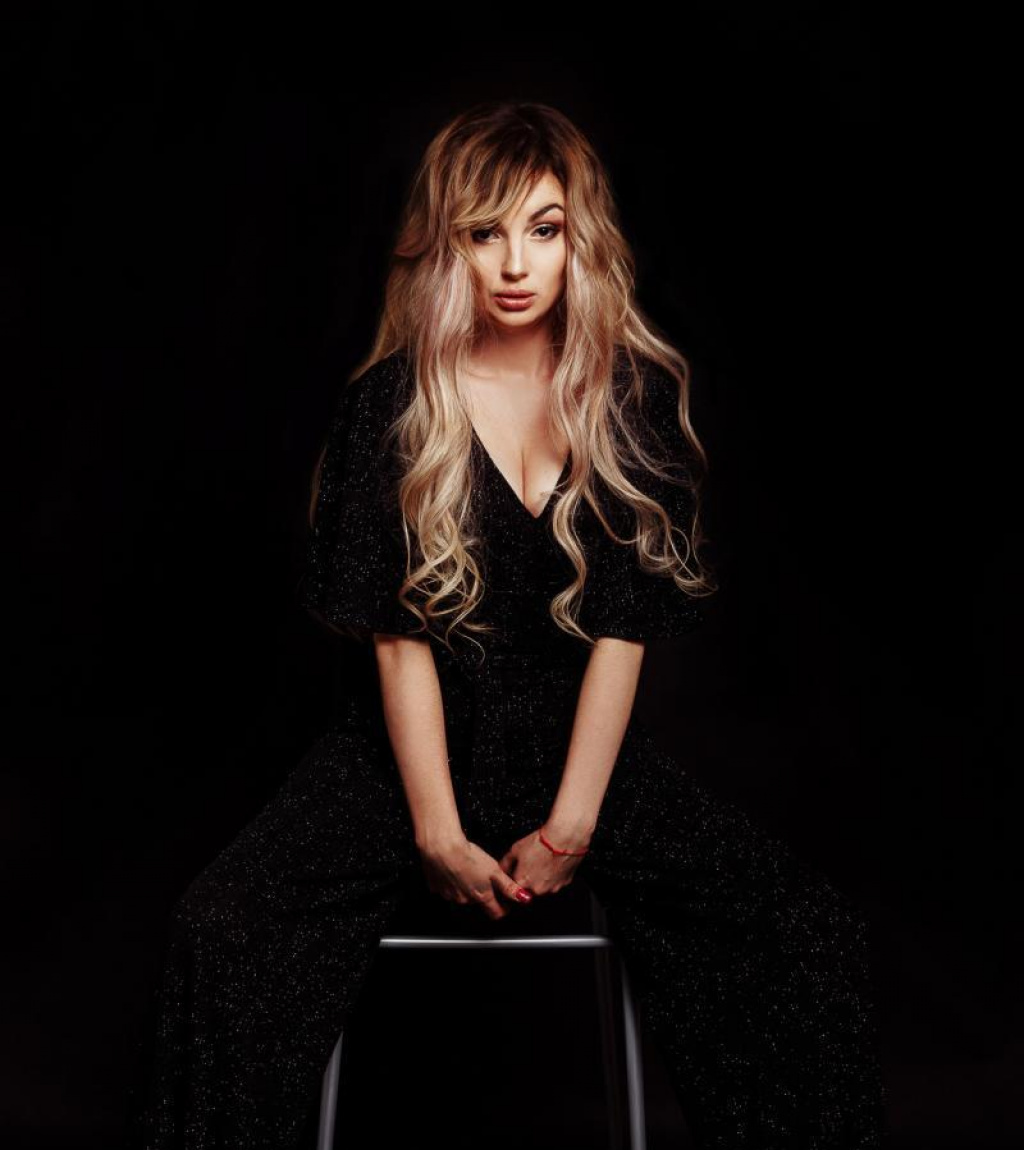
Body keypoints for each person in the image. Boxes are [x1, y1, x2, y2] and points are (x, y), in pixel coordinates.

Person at [126, 101, 886, 1149]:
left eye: (543, 228)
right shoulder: (390, 405)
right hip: (400, 763)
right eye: (484, 234)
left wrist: (573, 825)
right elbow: (397, 640)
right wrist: (436, 832)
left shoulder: (626, 397)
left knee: (808, 939)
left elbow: (622, 633)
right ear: (448, 246)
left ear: (581, 239)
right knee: (217, 929)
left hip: (582, 761)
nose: (515, 264)